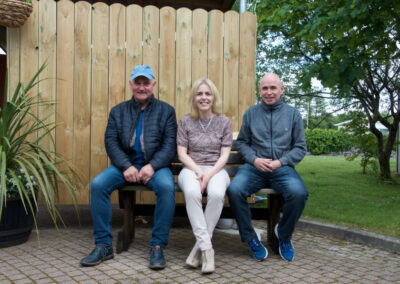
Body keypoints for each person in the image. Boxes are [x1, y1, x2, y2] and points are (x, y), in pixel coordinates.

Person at [80, 65, 177, 270]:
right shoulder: (118, 111)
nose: (142, 87)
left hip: (156, 167)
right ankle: (104, 245)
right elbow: (111, 142)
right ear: (131, 84)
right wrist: (126, 166)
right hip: (125, 167)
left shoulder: (167, 111)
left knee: (168, 189)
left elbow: (170, 146)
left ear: (153, 85)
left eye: (146, 83)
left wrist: (152, 166)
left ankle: (157, 245)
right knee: (98, 185)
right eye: (137, 83)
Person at [227, 73, 308, 262]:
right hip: (254, 168)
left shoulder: (293, 114)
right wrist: (255, 160)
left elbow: (300, 147)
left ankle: (284, 235)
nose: (269, 92)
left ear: (282, 90)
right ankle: (251, 238)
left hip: (282, 168)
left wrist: (281, 162)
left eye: (273, 88)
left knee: (299, 193)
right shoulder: (251, 113)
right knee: (235, 190)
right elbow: (243, 143)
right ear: (259, 90)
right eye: (265, 88)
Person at [177, 78, 232, 274]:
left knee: (217, 194)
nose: (204, 97)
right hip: (191, 169)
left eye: (207, 93)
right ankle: (208, 250)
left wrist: (209, 175)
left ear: (213, 97)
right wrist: (200, 172)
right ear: (194, 97)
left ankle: (198, 249)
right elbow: (182, 153)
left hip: (217, 169)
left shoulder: (224, 121)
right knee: (192, 192)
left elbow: (225, 155)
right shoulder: (185, 121)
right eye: (199, 94)